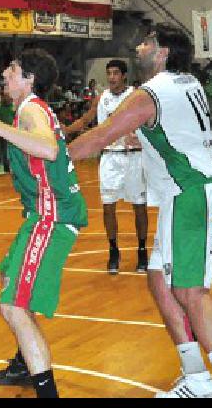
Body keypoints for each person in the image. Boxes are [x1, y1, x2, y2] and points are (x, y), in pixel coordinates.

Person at [68, 24, 212, 398]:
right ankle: (197, 376)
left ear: (163, 53)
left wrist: (55, 159)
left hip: (196, 193)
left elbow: (102, 135)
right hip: (188, 193)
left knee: (190, 292)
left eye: (147, 43)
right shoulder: (186, 83)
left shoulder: (152, 91)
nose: (139, 47)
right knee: (159, 278)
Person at [0, 52, 87, 398]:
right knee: (8, 279)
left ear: (28, 79)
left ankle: (46, 391)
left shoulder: (30, 108)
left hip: (52, 216)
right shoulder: (31, 109)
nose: (4, 73)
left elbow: (48, 150)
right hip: (43, 213)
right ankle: (23, 362)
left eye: (12, 70)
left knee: (12, 304)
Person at [64, 59, 149, 274]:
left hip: (133, 157)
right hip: (110, 158)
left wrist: (144, 140)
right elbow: (85, 121)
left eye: (115, 73)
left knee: (139, 206)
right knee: (108, 206)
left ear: (124, 76)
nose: (111, 78)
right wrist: (63, 131)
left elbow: (150, 123)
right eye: (109, 73)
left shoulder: (136, 96)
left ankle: (141, 250)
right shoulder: (101, 99)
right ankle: (113, 250)